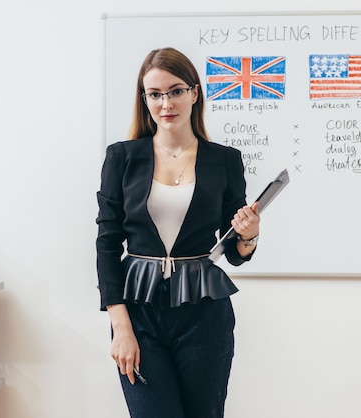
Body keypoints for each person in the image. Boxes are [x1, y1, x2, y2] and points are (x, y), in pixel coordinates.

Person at [95, 47, 260, 418]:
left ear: (194, 93)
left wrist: (248, 235)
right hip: (139, 313)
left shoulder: (225, 160)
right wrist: (120, 327)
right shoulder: (122, 158)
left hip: (204, 313)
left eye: (175, 91)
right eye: (155, 94)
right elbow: (107, 243)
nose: (165, 103)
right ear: (145, 99)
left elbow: (234, 251)